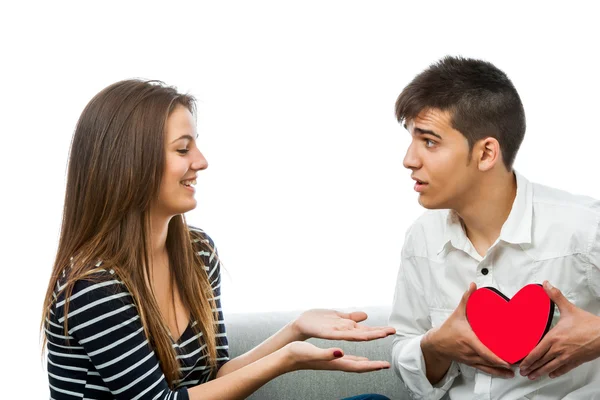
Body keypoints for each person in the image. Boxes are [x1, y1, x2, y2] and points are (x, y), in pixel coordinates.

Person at [41, 79, 395, 400]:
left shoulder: (197, 252)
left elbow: (215, 378)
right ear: (130, 163)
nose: (201, 161)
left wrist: (295, 331)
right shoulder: (91, 285)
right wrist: (285, 361)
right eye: (183, 150)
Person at [389, 56, 600, 399]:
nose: (409, 160)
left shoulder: (585, 227)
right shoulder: (421, 239)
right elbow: (402, 351)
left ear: (486, 153)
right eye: (411, 139)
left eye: (429, 141)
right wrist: (435, 347)